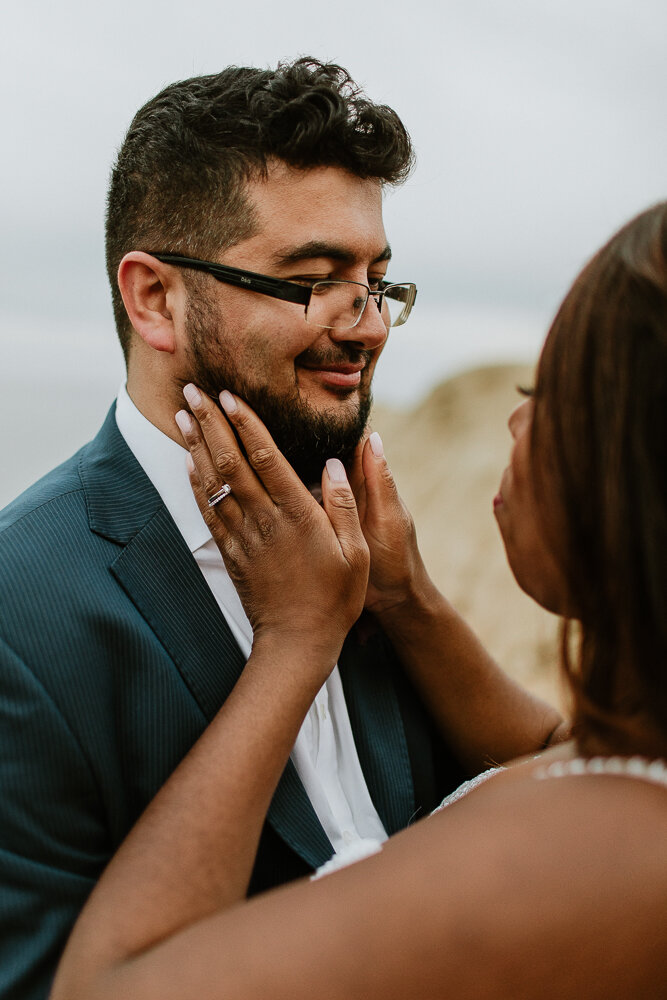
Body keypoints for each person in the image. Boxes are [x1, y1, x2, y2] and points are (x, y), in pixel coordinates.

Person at [0, 59, 563, 999]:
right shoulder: (23, 611)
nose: (370, 326)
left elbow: (553, 791)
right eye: (312, 280)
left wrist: (405, 598)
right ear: (154, 300)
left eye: (377, 281)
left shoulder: (372, 558)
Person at [51, 201, 667, 999]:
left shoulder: (589, 866)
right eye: (312, 280)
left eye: (544, 392)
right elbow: (556, 753)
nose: (516, 419)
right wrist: (408, 600)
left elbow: (106, 988)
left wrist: (295, 639)